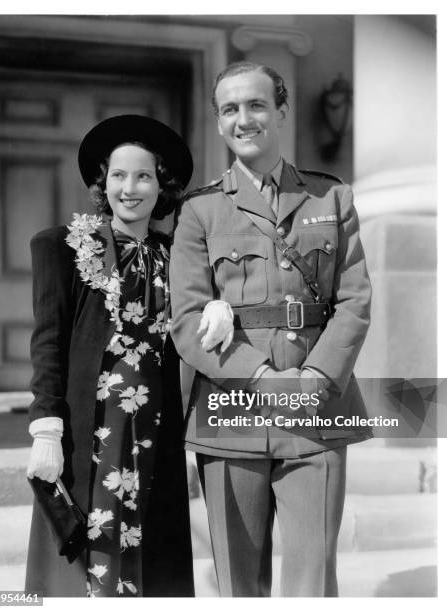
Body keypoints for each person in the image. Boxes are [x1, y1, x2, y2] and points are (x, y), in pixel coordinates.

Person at [170, 62, 373, 597]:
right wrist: (259, 375)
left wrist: (314, 379)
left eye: (257, 105)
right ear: (218, 122)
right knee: (240, 579)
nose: (245, 119)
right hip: (231, 408)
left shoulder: (331, 199)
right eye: (231, 109)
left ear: (281, 110)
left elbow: (354, 299)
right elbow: (187, 320)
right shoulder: (199, 211)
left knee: (312, 576)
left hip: (318, 409)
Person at [25, 115, 234, 597]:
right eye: (119, 175)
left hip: (156, 430)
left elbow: (200, 316)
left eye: (144, 176)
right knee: (88, 555)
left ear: (162, 186)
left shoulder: (179, 256)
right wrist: (45, 428)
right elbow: (47, 344)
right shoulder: (64, 247)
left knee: (153, 552)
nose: (130, 187)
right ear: (104, 183)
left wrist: (220, 304)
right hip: (90, 428)